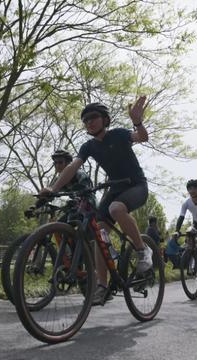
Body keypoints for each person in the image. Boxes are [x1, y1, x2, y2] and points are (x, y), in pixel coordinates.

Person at [39, 98, 152, 305]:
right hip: (115, 187)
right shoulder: (88, 146)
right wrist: (53, 189)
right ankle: (102, 285)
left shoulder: (118, 134)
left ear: (105, 120)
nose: (89, 122)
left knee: (116, 208)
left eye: (93, 118)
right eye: (85, 120)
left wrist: (137, 122)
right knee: (99, 234)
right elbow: (73, 166)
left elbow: (142, 137)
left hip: (136, 185)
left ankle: (142, 249)